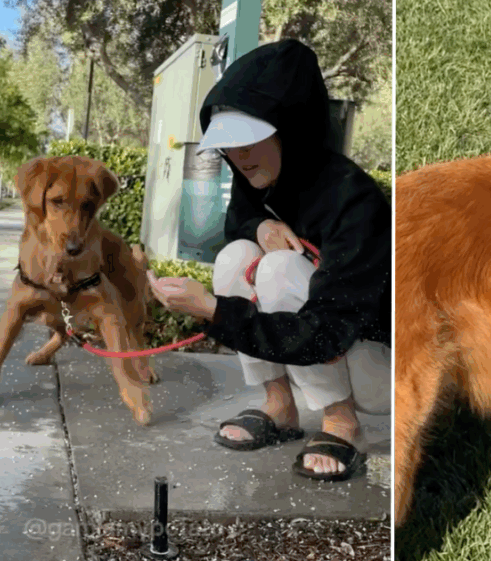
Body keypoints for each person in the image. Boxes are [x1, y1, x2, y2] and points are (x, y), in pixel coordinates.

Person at [146, 39, 391, 482]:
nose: (237, 158)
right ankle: (279, 405)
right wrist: (259, 227)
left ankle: (342, 422)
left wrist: (212, 310)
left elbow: (328, 334)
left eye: (249, 142)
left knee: (278, 269)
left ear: (290, 131)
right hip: (318, 346)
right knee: (235, 257)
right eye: (229, 145)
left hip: (378, 364)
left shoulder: (354, 199)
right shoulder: (261, 177)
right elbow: (238, 219)